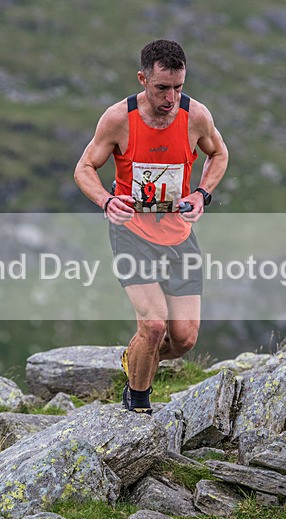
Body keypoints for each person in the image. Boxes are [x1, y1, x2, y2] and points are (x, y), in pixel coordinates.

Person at [74, 39, 228, 414]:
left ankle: (136, 356)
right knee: (155, 324)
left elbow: (219, 154)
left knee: (184, 339)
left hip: (178, 235)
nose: (171, 97)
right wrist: (107, 200)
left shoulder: (196, 116)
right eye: (162, 88)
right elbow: (84, 168)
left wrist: (201, 194)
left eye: (178, 87)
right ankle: (138, 403)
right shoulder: (118, 119)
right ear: (143, 79)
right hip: (133, 234)